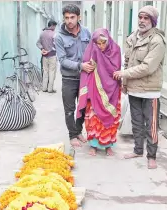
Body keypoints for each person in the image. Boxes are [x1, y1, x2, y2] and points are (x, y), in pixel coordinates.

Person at [113, 5, 166, 169]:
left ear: (153, 21)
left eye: (146, 18)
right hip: (134, 89)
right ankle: (137, 150)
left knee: (151, 125)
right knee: (136, 122)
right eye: (140, 17)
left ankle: (152, 156)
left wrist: (124, 74)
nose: (142, 21)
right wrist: (125, 84)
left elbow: (147, 67)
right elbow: (128, 61)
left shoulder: (158, 41)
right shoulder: (133, 37)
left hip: (150, 91)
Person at [76, 28, 122, 156]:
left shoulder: (116, 49)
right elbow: (86, 68)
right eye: (98, 43)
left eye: (103, 43)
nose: (101, 46)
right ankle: (94, 145)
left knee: (111, 118)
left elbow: (115, 69)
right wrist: (89, 66)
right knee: (94, 118)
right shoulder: (92, 49)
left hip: (112, 89)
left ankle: (109, 145)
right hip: (95, 89)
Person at [55, 4, 93, 147]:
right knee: (70, 109)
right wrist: (80, 66)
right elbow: (63, 60)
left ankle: (78, 131)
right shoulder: (59, 37)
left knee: (83, 107)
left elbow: (92, 51)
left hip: (85, 79)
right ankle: (72, 135)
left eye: (72, 17)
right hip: (69, 78)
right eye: (66, 18)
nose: (69, 21)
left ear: (79, 17)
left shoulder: (87, 33)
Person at [36, 20, 58, 93]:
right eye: (54, 26)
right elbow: (56, 46)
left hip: (44, 56)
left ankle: (44, 88)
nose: (55, 28)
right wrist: (50, 50)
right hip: (52, 56)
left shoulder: (42, 33)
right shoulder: (54, 34)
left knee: (45, 71)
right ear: (52, 26)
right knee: (51, 72)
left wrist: (42, 49)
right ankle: (50, 89)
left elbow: (38, 43)